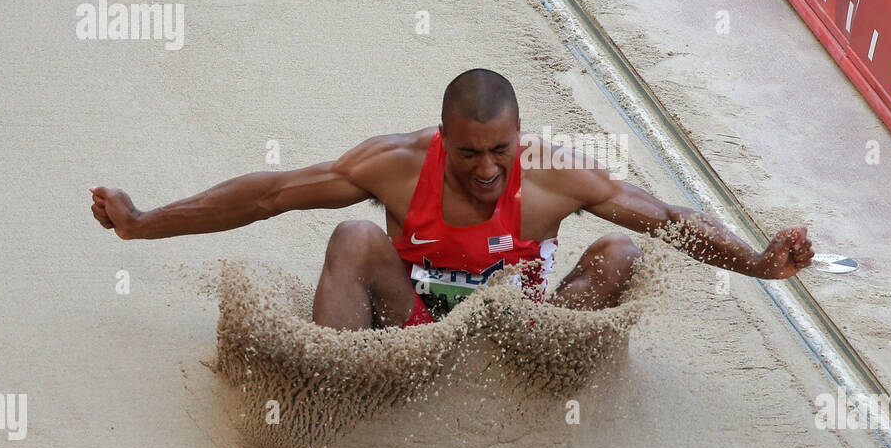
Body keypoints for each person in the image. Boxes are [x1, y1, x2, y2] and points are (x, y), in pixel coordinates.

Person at [89, 68, 814, 330]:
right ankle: (332, 381)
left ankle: (542, 370)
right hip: (416, 320)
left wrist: (757, 261)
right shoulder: (398, 165)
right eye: (468, 155)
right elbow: (271, 194)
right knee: (351, 238)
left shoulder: (554, 175)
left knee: (620, 248)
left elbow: (668, 220)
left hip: (520, 330)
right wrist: (144, 222)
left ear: (520, 138)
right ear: (443, 139)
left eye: (501, 152)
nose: (488, 171)